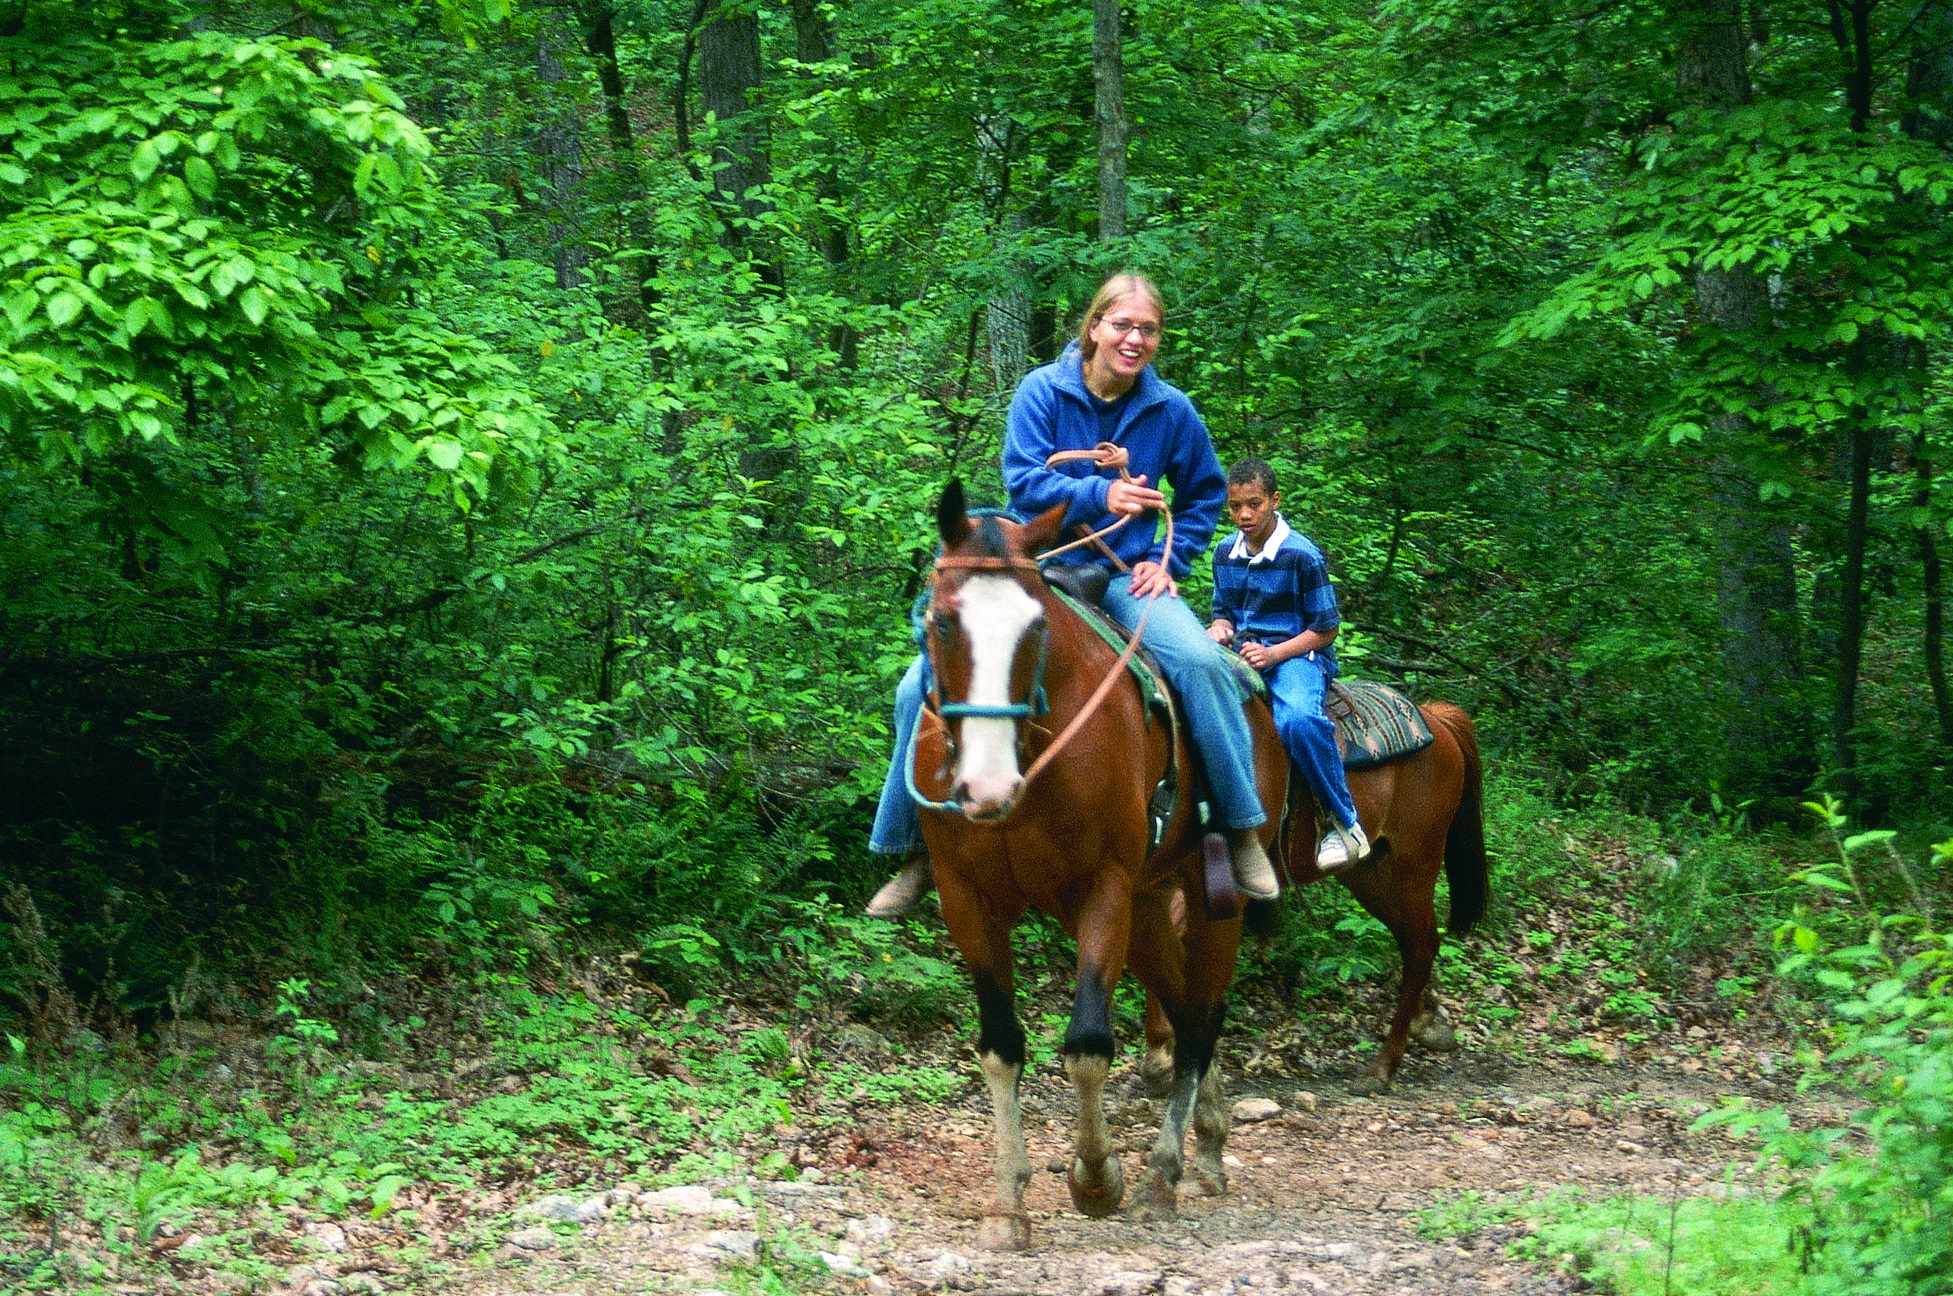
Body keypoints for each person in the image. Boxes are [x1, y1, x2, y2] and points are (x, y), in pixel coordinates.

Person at [866, 272, 1280, 915]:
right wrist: (1100, 493)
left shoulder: (1172, 410)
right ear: (1094, 327)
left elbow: (1203, 493)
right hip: (1040, 571)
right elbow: (1023, 482)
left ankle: (1241, 828)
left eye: (1148, 330)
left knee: (1201, 664)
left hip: (1127, 575)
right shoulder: (1042, 390)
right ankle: (915, 846)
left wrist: (1169, 561)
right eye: (1123, 325)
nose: (1135, 339)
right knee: (912, 687)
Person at [1205, 458, 1371, 872]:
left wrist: (1275, 654)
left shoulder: (1302, 555)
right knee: (1199, 702)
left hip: (1298, 655)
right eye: (1235, 506)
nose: (1244, 515)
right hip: (1244, 654)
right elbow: (1223, 611)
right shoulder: (1225, 552)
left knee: (1297, 721)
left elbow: (1326, 629)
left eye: (1254, 504)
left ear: (1275, 501)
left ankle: (1344, 822)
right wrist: (1220, 627)